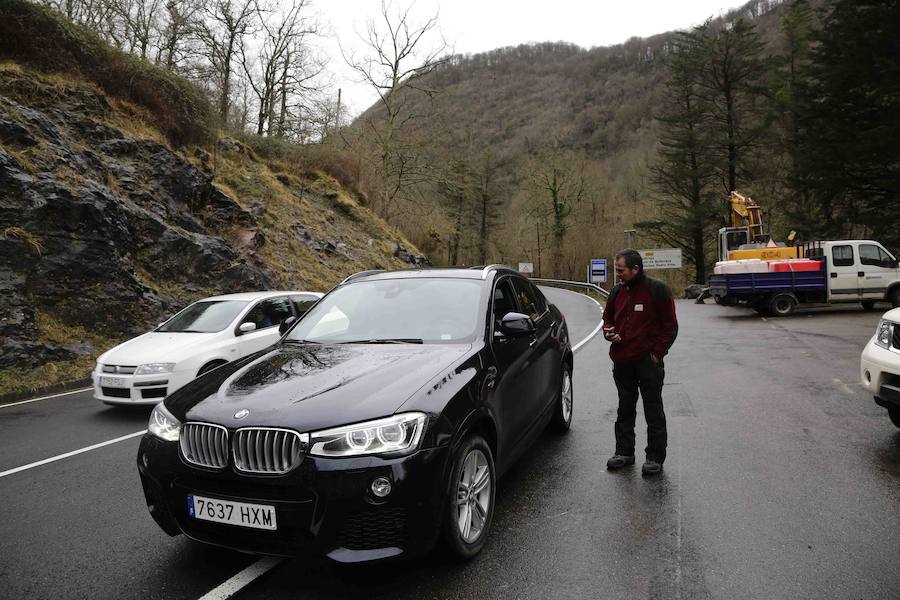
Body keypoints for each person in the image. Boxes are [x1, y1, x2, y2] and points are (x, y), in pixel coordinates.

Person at [602, 249, 678, 476]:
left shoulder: (658, 290)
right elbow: (607, 318)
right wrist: (609, 332)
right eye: (616, 270)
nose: (617, 274)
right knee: (625, 408)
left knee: (653, 409)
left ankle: (655, 457)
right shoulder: (616, 292)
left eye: (620, 270)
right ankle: (624, 452)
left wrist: (657, 354)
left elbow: (670, 326)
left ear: (636, 269)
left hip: (648, 363)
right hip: (622, 361)